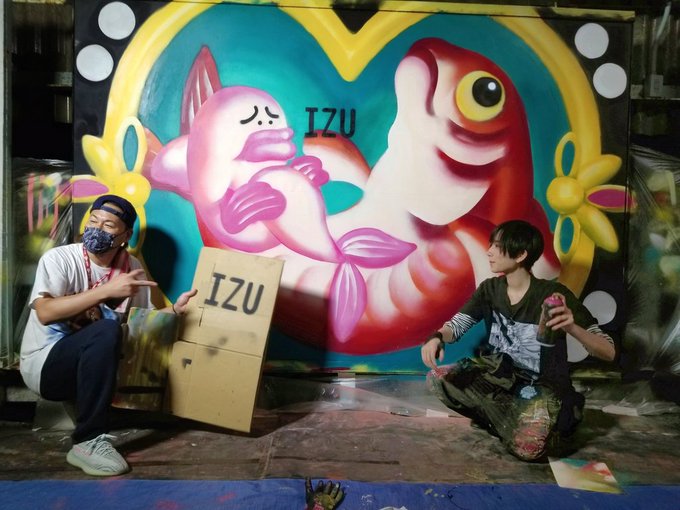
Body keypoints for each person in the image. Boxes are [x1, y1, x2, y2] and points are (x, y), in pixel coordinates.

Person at [20, 194, 198, 476]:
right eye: (93, 221)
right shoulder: (60, 259)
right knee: (106, 329)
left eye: (108, 225)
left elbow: (142, 323)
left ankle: (91, 422)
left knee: (122, 334)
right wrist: (106, 292)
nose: (97, 228)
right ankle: (87, 441)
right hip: (44, 366)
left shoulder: (132, 268)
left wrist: (175, 310)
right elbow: (44, 312)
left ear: (125, 236)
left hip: (88, 368)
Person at [421, 220, 615, 461]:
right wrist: (437, 337)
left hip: (540, 387)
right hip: (499, 380)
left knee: (529, 450)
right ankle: (512, 420)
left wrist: (572, 327)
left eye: (497, 246)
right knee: (439, 379)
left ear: (521, 254)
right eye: (491, 245)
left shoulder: (553, 296)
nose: (489, 251)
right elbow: (457, 325)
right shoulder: (489, 289)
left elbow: (608, 351)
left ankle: (553, 415)